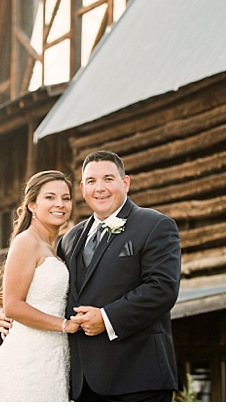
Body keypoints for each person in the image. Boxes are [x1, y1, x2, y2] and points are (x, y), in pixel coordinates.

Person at [59, 151, 181, 401]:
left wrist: (106, 318)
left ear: (125, 183)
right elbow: (54, 288)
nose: (99, 188)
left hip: (138, 379)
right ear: (83, 188)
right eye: (91, 181)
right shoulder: (69, 239)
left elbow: (162, 288)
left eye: (108, 179)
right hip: (84, 385)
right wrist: (15, 314)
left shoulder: (155, 225)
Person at [0, 170, 78, 401]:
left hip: (55, 358)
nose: (60, 204)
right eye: (50, 197)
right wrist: (65, 325)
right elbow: (13, 307)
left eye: (66, 198)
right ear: (31, 205)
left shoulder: (56, 247)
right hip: (28, 361)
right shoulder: (26, 242)